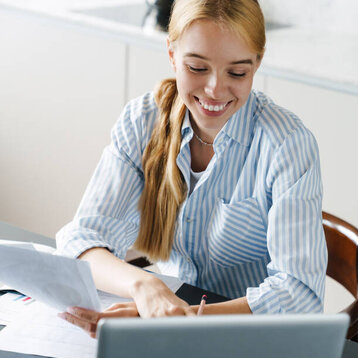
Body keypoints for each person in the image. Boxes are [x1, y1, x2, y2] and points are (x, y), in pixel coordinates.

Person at [55, 0, 327, 337]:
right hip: (166, 320)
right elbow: (81, 239)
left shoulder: (287, 145)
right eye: (197, 68)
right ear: (171, 54)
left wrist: (181, 320)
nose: (214, 89)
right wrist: (146, 288)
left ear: (258, 62)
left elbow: (300, 295)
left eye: (237, 72)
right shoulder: (143, 121)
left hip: (250, 338)